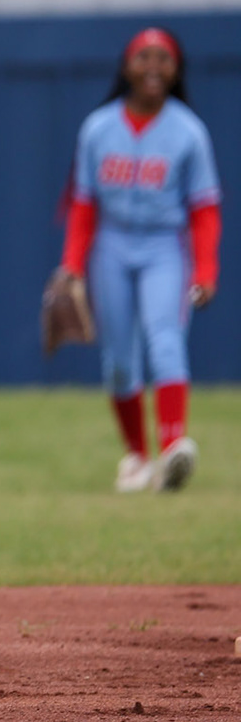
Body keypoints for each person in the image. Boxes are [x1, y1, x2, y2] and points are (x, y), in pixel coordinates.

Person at [55, 27, 221, 493]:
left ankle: (173, 449)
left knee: (165, 338)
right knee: (119, 360)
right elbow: (83, 205)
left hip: (165, 244)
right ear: (126, 66)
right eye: (143, 56)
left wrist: (206, 269)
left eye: (163, 58)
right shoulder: (99, 128)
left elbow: (205, 210)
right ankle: (138, 457)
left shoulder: (188, 131)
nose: (153, 66)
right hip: (112, 244)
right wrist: (71, 264)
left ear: (176, 70)